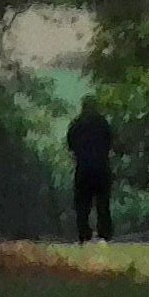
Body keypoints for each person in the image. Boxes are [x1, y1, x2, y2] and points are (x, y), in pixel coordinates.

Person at [67, 98, 115, 245]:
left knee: (82, 204)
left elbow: (70, 145)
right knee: (102, 203)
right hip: (101, 167)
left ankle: (84, 234)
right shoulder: (103, 124)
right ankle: (104, 233)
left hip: (83, 169)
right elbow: (111, 143)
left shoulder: (76, 125)